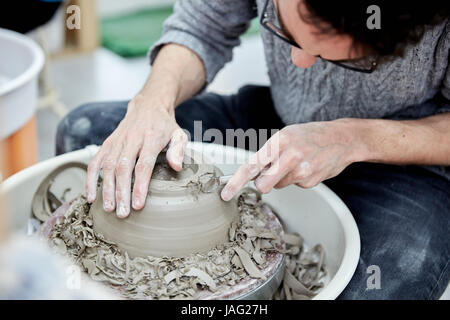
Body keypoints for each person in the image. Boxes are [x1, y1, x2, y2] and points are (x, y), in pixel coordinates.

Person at [56, 0, 450, 299]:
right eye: (284, 29)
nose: (298, 61)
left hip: (406, 158)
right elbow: (202, 24)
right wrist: (153, 101)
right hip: (277, 125)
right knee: (87, 134)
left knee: (385, 281)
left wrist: (354, 138)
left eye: (338, 57)